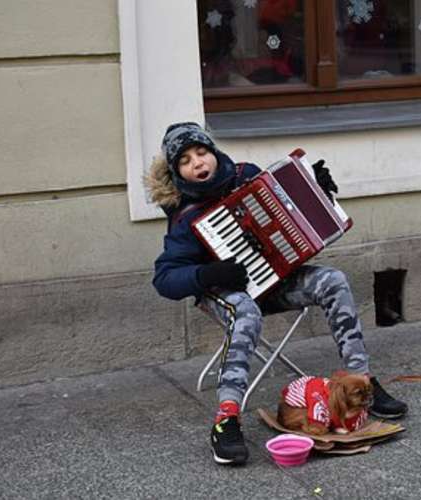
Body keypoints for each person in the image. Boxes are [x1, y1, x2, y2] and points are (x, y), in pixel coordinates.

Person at [146, 122, 407, 465]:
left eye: (201, 152)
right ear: (176, 172)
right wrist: (207, 273)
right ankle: (226, 420)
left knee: (333, 280)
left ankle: (362, 381)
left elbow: (294, 217)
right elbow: (164, 279)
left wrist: (318, 193)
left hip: (276, 282)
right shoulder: (185, 216)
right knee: (245, 310)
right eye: (185, 160)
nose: (197, 162)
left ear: (213, 152)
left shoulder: (246, 176)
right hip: (225, 292)